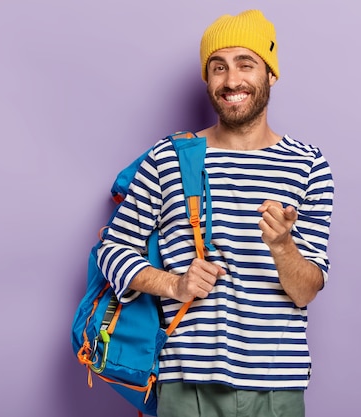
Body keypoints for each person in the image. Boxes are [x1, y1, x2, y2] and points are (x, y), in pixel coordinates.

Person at [97, 9, 335, 417]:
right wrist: (174, 285)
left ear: (271, 74)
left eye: (247, 64)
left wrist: (282, 246)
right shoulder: (169, 157)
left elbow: (306, 289)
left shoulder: (309, 165)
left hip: (277, 385)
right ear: (207, 79)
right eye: (218, 67)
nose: (232, 80)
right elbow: (112, 251)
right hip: (185, 383)